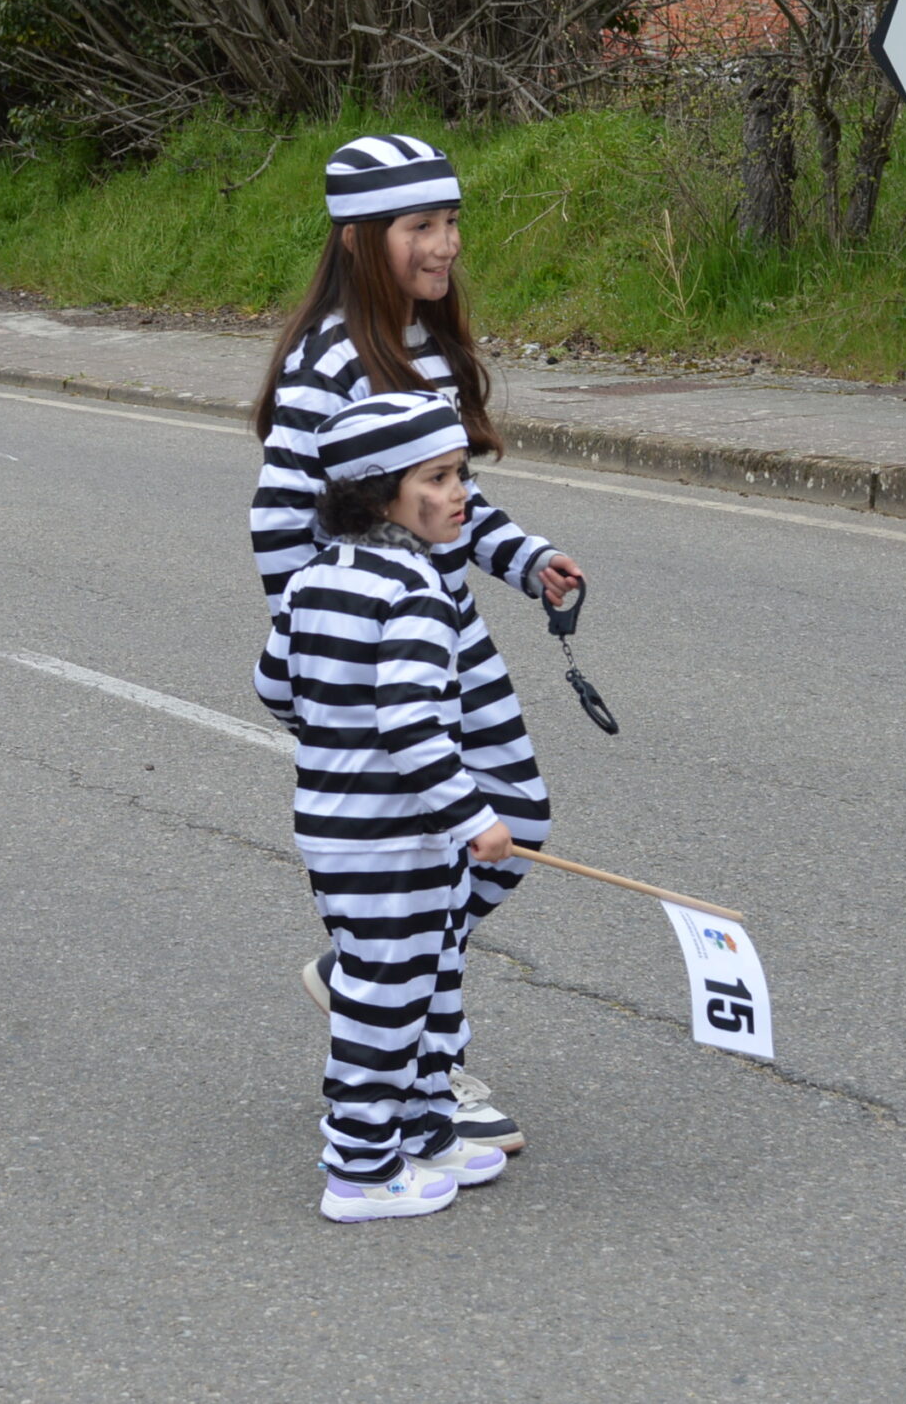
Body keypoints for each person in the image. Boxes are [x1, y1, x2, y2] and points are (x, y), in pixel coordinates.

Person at [250, 133, 583, 1159]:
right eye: (418, 227)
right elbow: (277, 522)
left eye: (448, 221)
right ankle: (410, 1038)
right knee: (431, 858)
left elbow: (450, 499)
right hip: (376, 647)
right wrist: (317, 654)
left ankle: (376, 983)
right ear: (359, 239)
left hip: (447, 632)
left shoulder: (423, 345)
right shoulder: (328, 361)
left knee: (511, 818)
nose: (443, 245)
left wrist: (527, 561)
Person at [256, 391, 518, 1222]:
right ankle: (361, 1168)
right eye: (436, 478)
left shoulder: (312, 578)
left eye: (461, 473)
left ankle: (428, 1129)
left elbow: (272, 686)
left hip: (345, 831)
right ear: (378, 495)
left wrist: (331, 736)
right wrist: (473, 816)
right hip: (392, 837)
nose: (458, 493)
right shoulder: (412, 590)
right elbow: (411, 724)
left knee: (435, 978)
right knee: (385, 995)